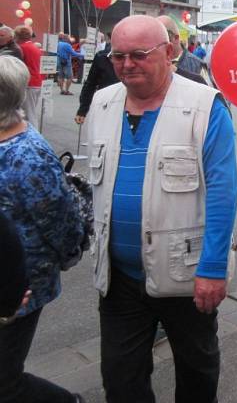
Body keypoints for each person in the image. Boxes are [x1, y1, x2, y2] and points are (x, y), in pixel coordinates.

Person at [86, 15, 237, 403]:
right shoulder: (102, 104)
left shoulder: (204, 106)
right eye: (118, 55)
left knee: (197, 374)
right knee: (120, 380)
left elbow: (223, 191)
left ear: (169, 52)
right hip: (119, 278)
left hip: (187, 277)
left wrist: (213, 267)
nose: (126, 64)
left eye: (139, 54)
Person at [0, 56, 86, 403]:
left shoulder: (27, 155)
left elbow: (63, 223)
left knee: (4, 380)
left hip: (19, 285)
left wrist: (66, 258)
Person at [75, 33, 119, 125]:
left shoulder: (133, 59)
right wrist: (82, 110)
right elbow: (90, 84)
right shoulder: (101, 57)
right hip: (104, 106)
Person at [13, 25, 43, 131]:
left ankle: (34, 137)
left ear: (18, 36)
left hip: (29, 83)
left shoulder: (22, 48)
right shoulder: (35, 47)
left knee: (29, 114)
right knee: (31, 112)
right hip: (36, 82)